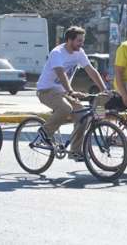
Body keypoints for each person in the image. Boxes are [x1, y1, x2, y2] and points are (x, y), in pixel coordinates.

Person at [36, 26, 107, 162]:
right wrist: (70, 91)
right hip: (46, 90)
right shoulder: (57, 53)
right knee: (65, 108)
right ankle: (45, 132)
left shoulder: (79, 52)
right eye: (79, 41)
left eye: (82, 41)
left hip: (63, 92)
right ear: (69, 40)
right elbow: (60, 73)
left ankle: (75, 151)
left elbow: (91, 71)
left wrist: (104, 89)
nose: (81, 44)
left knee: (84, 116)